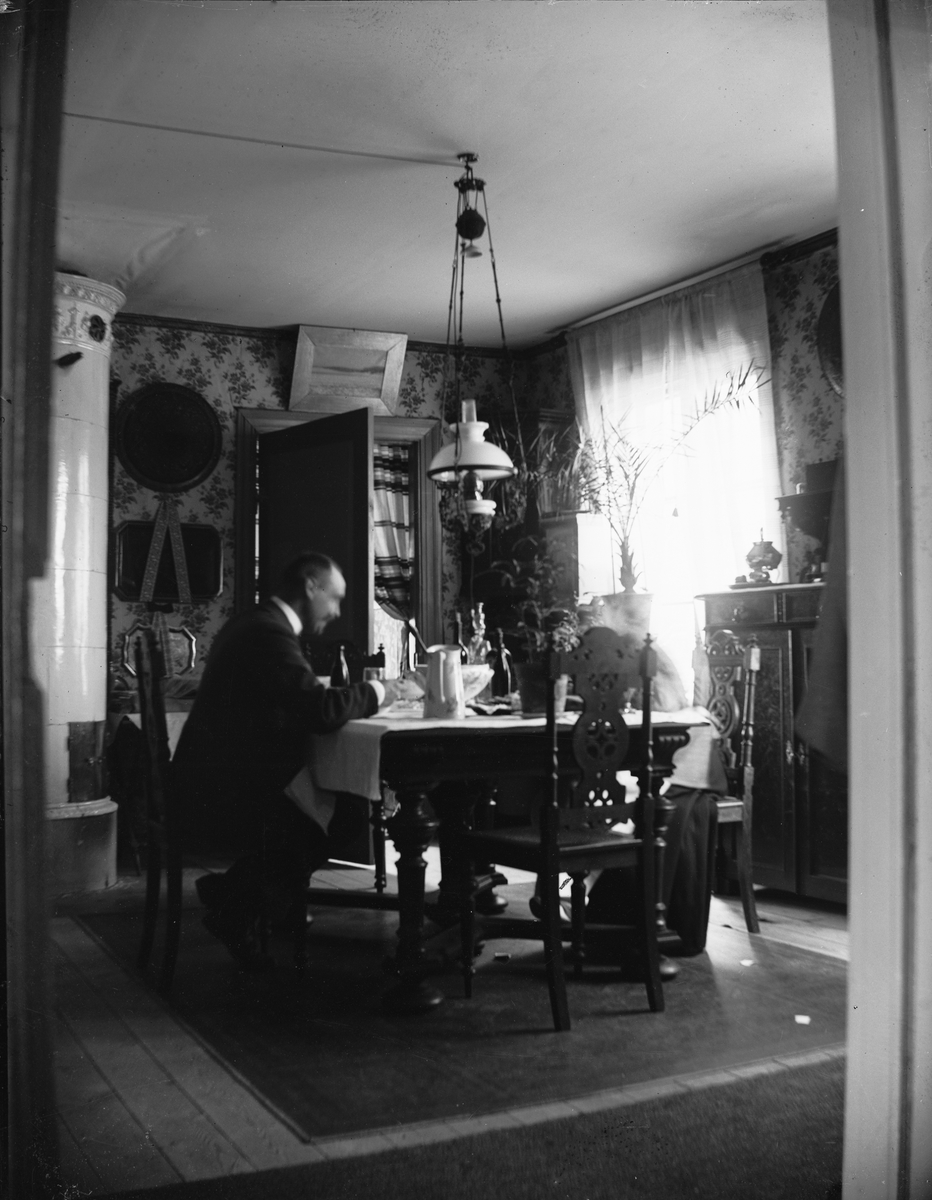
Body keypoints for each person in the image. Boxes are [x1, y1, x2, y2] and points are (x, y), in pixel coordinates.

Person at [171, 551, 403, 970]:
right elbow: (320, 710)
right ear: (311, 587)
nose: (337, 612)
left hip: (215, 775)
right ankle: (240, 903)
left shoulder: (256, 623)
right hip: (221, 791)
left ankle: (238, 895)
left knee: (334, 810)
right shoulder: (268, 633)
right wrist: (383, 691)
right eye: (335, 598)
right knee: (347, 814)